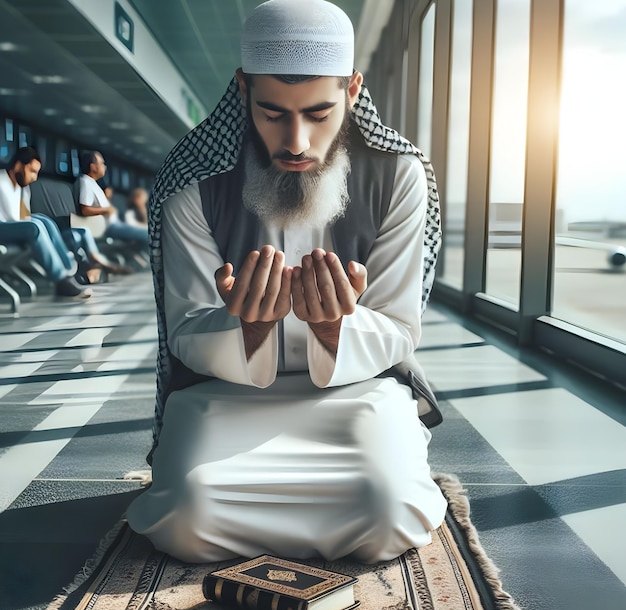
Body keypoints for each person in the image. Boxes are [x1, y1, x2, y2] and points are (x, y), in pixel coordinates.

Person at [127, 0, 446, 565]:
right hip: (228, 395)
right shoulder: (192, 184)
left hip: (358, 393)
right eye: (273, 113)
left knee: (386, 508)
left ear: (352, 91)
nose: (296, 140)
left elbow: (398, 327)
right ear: (243, 89)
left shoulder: (400, 176)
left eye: (319, 114)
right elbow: (183, 330)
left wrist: (334, 328)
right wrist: (245, 328)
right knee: (189, 515)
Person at [0, 146, 92, 299]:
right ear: (17, 166)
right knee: (35, 227)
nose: (34, 178)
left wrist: (24, 196)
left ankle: (68, 269)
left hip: (10, 225)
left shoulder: (22, 187)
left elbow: (24, 216)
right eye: (32, 171)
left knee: (45, 220)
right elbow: (14, 217)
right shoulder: (2, 182)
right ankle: (60, 280)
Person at [77, 151, 149, 252]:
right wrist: (107, 210)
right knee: (148, 233)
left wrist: (107, 198)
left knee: (149, 231)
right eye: (102, 163)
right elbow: (85, 209)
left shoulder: (93, 183)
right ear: (93, 167)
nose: (104, 167)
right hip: (109, 227)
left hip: (115, 223)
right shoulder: (85, 182)